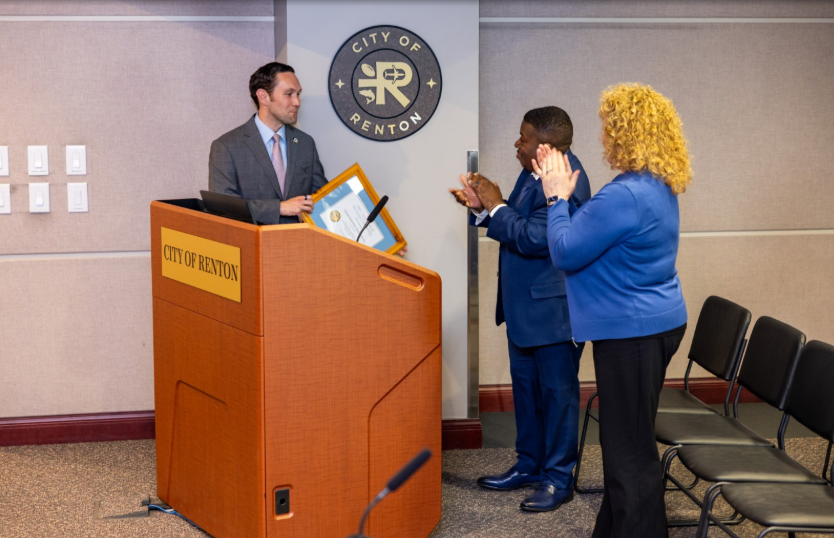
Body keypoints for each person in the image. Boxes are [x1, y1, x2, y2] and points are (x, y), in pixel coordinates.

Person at [536, 83, 691, 537]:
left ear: (626, 133)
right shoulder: (655, 185)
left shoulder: (625, 194)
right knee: (628, 442)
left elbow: (564, 251)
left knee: (628, 452)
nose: (603, 138)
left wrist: (556, 198)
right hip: (649, 325)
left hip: (633, 333)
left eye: (608, 129)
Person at [450, 106, 591, 512]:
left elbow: (533, 237)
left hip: (554, 312)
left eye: (523, 137)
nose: (517, 143)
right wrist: (482, 207)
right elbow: (518, 220)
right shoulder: (534, 170)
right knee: (527, 394)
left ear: (543, 146)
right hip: (525, 309)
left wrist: (496, 207)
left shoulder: (568, 180)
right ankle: (530, 465)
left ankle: (558, 478)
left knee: (558, 396)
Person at [209, 62, 327, 225]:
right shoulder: (226, 147)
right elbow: (223, 207)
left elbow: (322, 196)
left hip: (301, 245)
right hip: (252, 246)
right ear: (263, 97)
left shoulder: (306, 143)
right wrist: (278, 208)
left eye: (298, 94)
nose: (297, 102)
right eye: (289, 94)